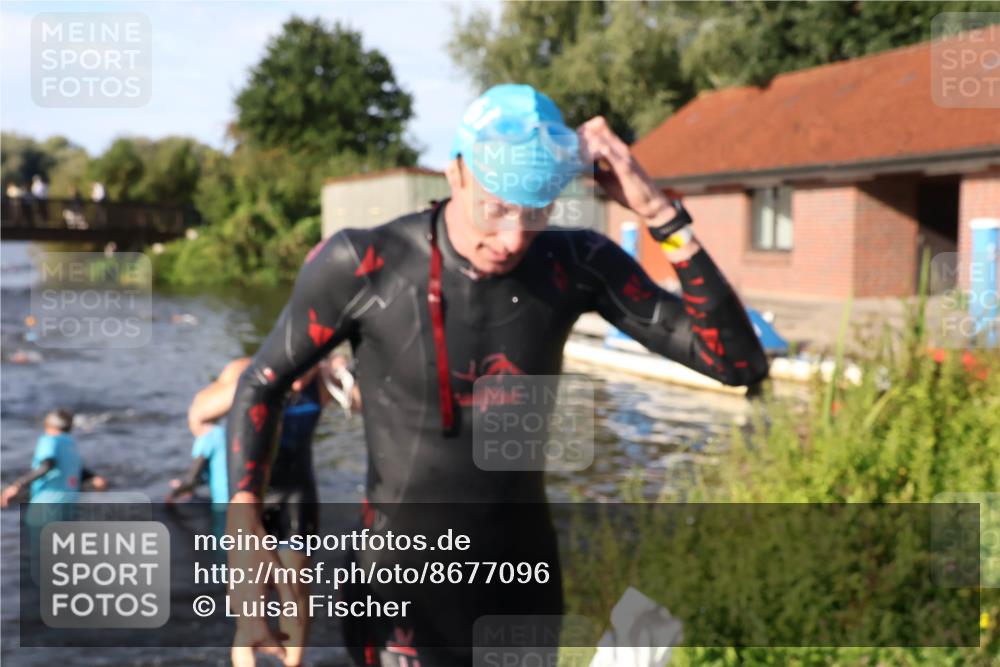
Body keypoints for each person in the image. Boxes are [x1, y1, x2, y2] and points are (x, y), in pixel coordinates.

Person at [224, 84, 769, 666]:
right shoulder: (366, 264)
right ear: (455, 173)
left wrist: (661, 214)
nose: (513, 239)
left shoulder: (575, 264)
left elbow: (737, 363)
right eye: (499, 206)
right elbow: (262, 382)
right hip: (396, 594)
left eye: (536, 212)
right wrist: (245, 530)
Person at [168, 354, 359, 667]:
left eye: (304, 372)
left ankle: (293, 663)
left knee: (295, 588)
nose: (297, 383)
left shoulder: (321, 380)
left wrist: (345, 370)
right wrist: (254, 383)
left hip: (296, 493)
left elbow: (375, 405)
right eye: (293, 372)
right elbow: (198, 416)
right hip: (250, 493)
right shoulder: (244, 370)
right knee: (250, 597)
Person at [1, 409, 107, 508]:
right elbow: (77, 469)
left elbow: (47, 465)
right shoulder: (71, 444)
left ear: (48, 425)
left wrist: (17, 485)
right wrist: (94, 477)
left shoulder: (49, 440)